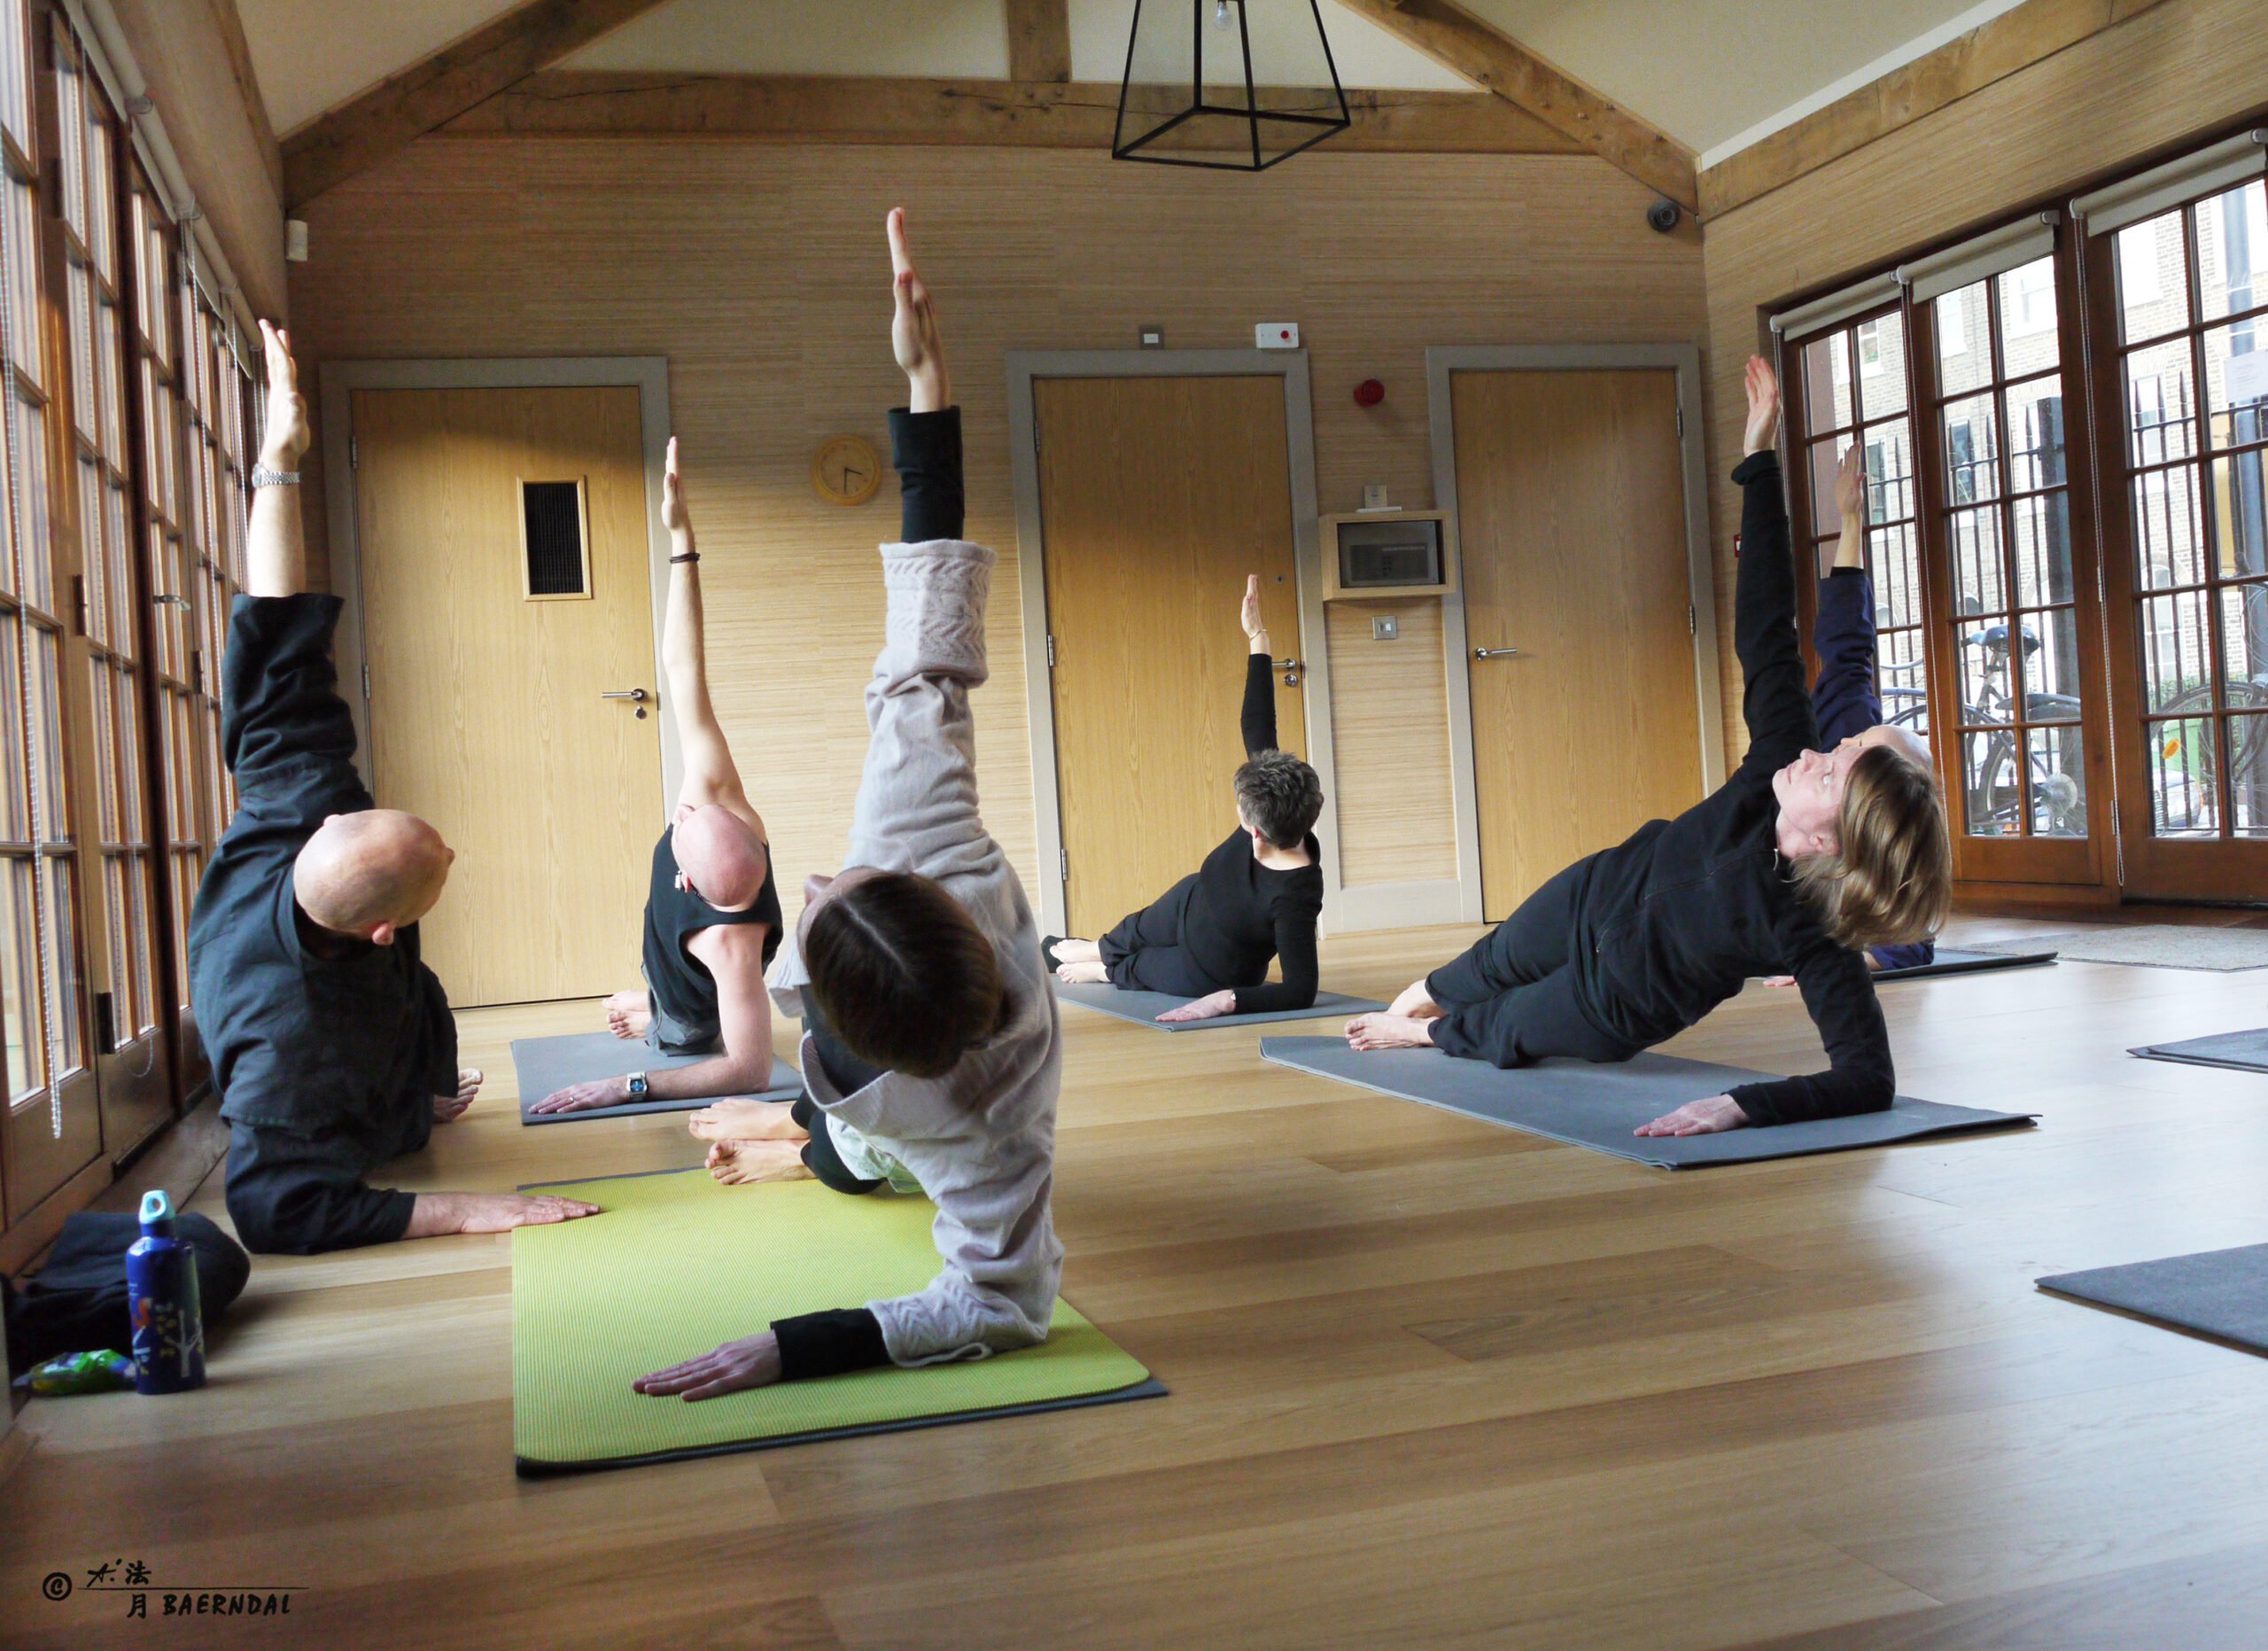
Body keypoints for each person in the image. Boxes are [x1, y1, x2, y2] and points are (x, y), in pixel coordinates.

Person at [633, 207, 1063, 1401]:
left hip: (892, 1127)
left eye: (816, 901)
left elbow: (1003, 1306)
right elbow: (931, 635)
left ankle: (803, 1146)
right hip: (891, 1044)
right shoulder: (926, 840)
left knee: (849, 1158)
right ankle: (795, 1133)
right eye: (845, 885)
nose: (817, 876)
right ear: (926, 895)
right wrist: (927, 390)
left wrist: (795, 1345)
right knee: (824, 1121)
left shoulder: (983, 1129)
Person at [1343, 355, 1953, 1139]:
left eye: (1828, 772)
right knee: (1468, 974)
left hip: (1616, 1003)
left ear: (1833, 840)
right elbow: (1767, 627)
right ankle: (1417, 1007)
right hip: (1598, 889)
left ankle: (1421, 1035)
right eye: (1828, 754)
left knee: (1502, 1027)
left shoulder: (1813, 928)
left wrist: (1744, 1104)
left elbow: (1867, 1076)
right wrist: (1758, 460)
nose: (1811, 756)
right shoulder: (1778, 758)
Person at [190, 322, 597, 1252]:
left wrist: (279, 462)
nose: (453, 850)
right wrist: (464, 1210)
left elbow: (277, 628)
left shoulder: (295, 802)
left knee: (427, 999)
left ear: (334, 823)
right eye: (438, 866)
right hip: (326, 1080)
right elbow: (273, 1212)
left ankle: (415, 1094)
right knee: (363, 1118)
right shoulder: (292, 1040)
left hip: (368, 1025)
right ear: (380, 930)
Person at [527, 437, 784, 1115]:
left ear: (687, 881)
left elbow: (752, 1071)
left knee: (681, 1034)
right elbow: (684, 669)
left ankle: (658, 1013)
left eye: (684, 826)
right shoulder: (725, 804)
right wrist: (681, 542)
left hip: (695, 1016)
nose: (686, 809)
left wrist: (627, 1085)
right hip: (671, 960)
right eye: (696, 815)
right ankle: (650, 996)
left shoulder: (731, 948)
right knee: (649, 981)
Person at [1043, 578, 1324, 1022]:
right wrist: (1258, 637)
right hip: (1190, 900)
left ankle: (1105, 968)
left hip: (1209, 968)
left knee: (1135, 967)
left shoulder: (1295, 896)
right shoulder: (1281, 801)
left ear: (1255, 830)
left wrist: (1228, 1000)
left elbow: (1301, 989)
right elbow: (1258, 725)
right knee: (1132, 929)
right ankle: (1099, 947)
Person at [1768, 444, 1935, 979]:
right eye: (1859, 740)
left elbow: (1907, 945)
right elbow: (1847, 641)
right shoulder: (1849, 726)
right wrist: (1849, 520)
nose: (1844, 745)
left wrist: (1831, 965)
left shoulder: (1884, 836)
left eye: (1863, 750)